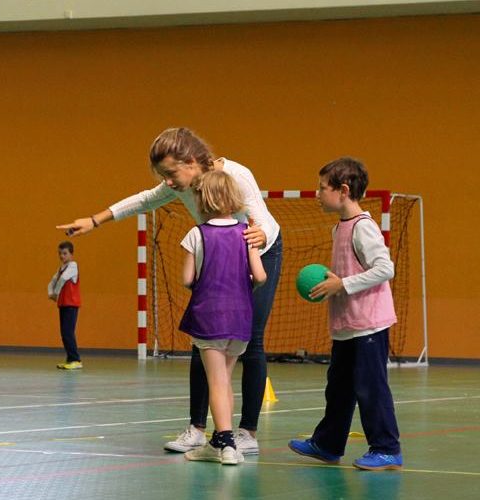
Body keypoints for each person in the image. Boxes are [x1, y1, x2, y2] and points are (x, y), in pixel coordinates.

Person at [57, 127, 283, 455]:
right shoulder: (179, 186)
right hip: (220, 256)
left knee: (250, 342)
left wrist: (257, 239)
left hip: (260, 251)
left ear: (191, 161)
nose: (169, 182)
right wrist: (95, 220)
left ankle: (247, 432)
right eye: (163, 176)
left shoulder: (236, 175)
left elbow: (257, 220)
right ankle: (197, 429)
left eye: (171, 173)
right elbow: (143, 200)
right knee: (203, 339)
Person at [288, 157, 403, 471]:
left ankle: (387, 448)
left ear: (343, 190)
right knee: (338, 387)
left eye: (322, 188)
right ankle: (327, 444)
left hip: (368, 325)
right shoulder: (339, 227)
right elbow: (350, 269)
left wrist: (343, 283)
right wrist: (334, 278)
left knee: (371, 388)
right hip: (346, 325)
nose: (316, 193)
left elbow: (385, 269)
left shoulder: (363, 227)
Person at [176, 171, 267, 465]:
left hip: (209, 317)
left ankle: (226, 445)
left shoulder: (196, 234)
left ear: (203, 200)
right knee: (225, 380)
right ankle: (219, 439)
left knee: (215, 381)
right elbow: (261, 276)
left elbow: (188, 278)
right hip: (240, 317)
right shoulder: (246, 234)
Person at [47, 241, 82, 370]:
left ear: (71, 254)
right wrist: (50, 293)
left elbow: (62, 280)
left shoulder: (73, 266)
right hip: (63, 304)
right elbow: (52, 281)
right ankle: (70, 359)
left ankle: (76, 360)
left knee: (68, 332)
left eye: (65, 253)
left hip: (71, 304)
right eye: (60, 253)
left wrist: (55, 294)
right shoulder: (61, 268)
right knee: (64, 333)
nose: (62, 256)